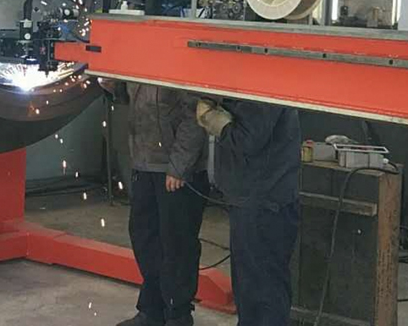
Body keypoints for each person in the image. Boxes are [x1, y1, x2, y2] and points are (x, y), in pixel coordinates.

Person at [101, 80, 210, 326]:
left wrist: (179, 166)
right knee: (145, 238)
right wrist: (114, 87)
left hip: (176, 171)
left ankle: (178, 314)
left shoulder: (183, 65)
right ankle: (152, 310)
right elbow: (133, 96)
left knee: (176, 244)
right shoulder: (142, 61)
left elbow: (195, 115)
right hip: (144, 163)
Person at [196, 97, 301, 326]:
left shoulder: (265, 83)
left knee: (262, 289)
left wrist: (216, 120)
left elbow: (249, 139)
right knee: (249, 286)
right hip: (253, 196)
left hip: (264, 200)